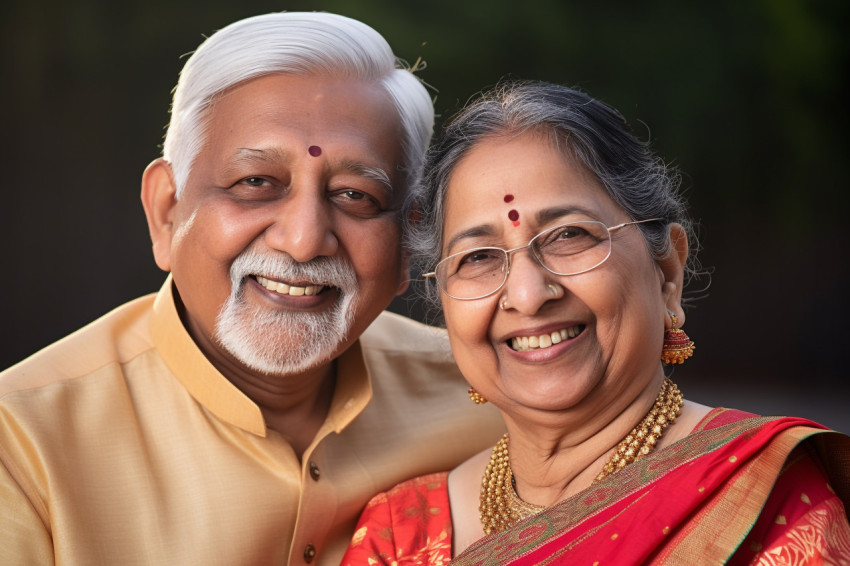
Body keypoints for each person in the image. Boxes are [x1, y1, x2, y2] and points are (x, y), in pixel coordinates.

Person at [0, 12, 505, 565]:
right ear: (166, 212)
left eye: (355, 195)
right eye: (256, 183)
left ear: (409, 240)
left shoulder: (491, 396)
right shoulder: (24, 442)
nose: (305, 240)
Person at [342, 81, 850, 564]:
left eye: (568, 236)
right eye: (477, 258)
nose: (527, 295)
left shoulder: (757, 492)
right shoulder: (402, 533)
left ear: (667, 272)